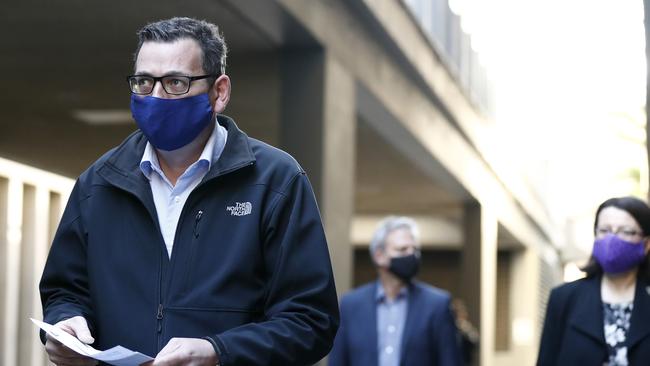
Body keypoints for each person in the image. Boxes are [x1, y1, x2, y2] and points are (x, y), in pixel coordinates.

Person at [39, 17, 339, 366]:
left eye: (176, 83)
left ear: (219, 92)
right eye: (144, 82)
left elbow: (311, 320)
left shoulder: (275, 182)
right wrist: (64, 324)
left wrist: (219, 352)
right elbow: (65, 291)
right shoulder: (99, 183)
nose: (156, 96)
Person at [328, 216, 462, 366]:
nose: (412, 255)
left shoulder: (437, 304)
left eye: (415, 249)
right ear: (379, 256)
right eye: (402, 249)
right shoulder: (350, 305)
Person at [537, 196, 650, 365]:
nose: (612, 239)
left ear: (646, 243)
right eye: (604, 230)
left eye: (626, 231)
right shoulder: (564, 298)